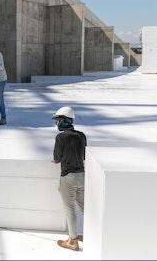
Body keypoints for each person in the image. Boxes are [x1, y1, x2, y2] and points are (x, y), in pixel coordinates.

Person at [52, 106, 86, 251]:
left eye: (58, 120)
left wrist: (57, 160)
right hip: (82, 176)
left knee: (69, 208)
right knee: (84, 207)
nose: (56, 123)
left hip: (68, 177)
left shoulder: (61, 137)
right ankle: (93, 233)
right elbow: (83, 155)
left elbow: (56, 158)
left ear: (63, 121)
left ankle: (73, 240)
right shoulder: (82, 135)